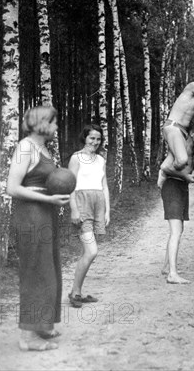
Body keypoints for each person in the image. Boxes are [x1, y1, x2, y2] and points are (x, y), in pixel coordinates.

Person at [6, 106, 70, 351]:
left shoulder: (42, 148)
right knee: (35, 271)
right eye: (54, 123)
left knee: (48, 268)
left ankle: (41, 324)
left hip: (45, 214)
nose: (57, 127)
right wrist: (49, 199)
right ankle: (27, 337)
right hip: (31, 217)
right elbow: (12, 187)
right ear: (44, 123)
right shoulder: (25, 147)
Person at [160, 121, 194, 284]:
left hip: (181, 187)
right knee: (176, 230)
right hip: (173, 186)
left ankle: (166, 267)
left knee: (179, 229)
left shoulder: (192, 148)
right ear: (192, 133)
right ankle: (172, 274)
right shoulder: (180, 146)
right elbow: (165, 167)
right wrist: (185, 176)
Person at [68, 124, 110, 308]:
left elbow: (105, 185)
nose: (95, 142)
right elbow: (69, 186)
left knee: (89, 252)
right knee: (91, 251)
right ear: (84, 138)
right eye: (92, 138)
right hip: (82, 202)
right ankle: (75, 292)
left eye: (98, 139)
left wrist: (107, 210)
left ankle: (77, 292)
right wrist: (74, 209)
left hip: (98, 203)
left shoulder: (101, 159)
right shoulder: (76, 158)